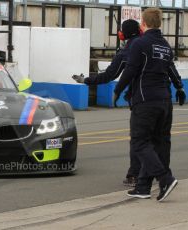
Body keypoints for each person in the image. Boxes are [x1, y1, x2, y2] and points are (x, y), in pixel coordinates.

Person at [114, 8, 186, 202]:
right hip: (165, 101)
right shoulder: (165, 45)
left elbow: (130, 70)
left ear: (143, 24)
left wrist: (117, 90)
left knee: (140, 141)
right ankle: (143, 187)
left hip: (146, 101)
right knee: (160, 143)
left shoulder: (140, 43)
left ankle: (165, 179)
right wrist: (180, 88)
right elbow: (171, 70)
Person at [73, 19, 142, 187]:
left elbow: (109, 75)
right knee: (158, 141)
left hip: (141, 100)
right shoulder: (153, 44)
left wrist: (87, 80)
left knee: (139, 140)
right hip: (162, 98)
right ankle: (159, 175)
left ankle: (136, 176)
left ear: (122, 34)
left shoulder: (127, 52)